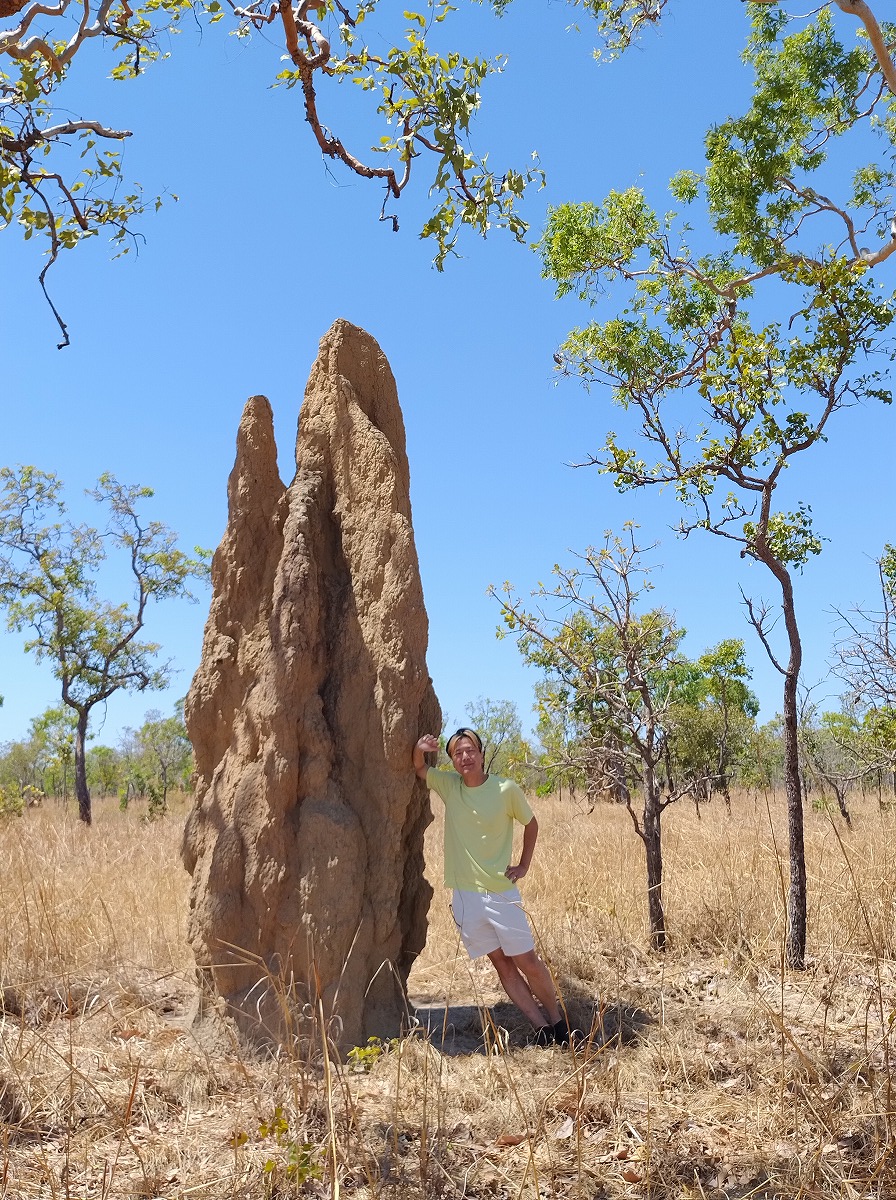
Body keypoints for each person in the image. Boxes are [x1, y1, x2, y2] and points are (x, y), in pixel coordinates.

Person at [413, 726, 571, 1046]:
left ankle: (559, 1022)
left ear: (482, 754)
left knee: (527, 960)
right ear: (453, 761)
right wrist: (420, 748)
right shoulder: (450, 786)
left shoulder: (505, 789)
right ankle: (540, 1028)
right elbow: (419, 768)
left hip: (499, 891)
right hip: (464, 895)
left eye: (470, 750)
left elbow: (531, 824)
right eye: (457, 753)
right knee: (500, 962)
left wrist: (524, 864)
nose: (464, 757)